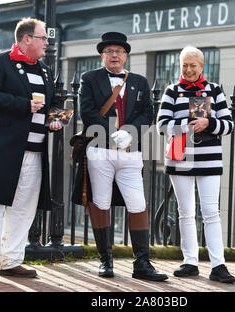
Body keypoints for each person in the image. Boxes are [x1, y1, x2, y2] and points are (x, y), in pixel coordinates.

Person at [0, 17, 62, 279]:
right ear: (27, 39)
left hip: (35, 150)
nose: (47, 42)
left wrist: (56, 119)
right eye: (43, 38)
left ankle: (11, 260)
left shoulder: (45, 70)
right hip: (3, 149)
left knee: (24, 207)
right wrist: (23, 105)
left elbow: (53, 103)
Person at [77, 32, 168, 281]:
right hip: (100, 150)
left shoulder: (139, 81)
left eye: (118, 51)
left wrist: (130, 133)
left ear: (126, 55)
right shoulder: (89, 78)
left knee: (138, 204)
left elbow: (148, 113)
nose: (114, 55)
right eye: (109, 51)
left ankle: (142, 264)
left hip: (130, 153)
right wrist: (109, 133)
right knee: (102, 203)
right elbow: (87, 111)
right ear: (102, 55)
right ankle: (105, 261)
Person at [156, 46, 235, 283]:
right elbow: (161, 124)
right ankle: (190, 262)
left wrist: (208, 123)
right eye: (184, 65)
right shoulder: (172, 91)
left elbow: (229, 125)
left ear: (202, 66)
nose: (188, 69)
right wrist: (187, 124)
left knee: (211, 212)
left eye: (193, 65)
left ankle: (218, 265)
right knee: (185, 212)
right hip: (180, 157)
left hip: (209, 158)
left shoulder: (215, 90)